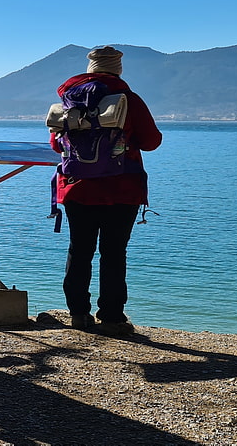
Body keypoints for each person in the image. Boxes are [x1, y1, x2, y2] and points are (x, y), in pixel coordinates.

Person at [51, 46, 162, 337]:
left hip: (77, 187)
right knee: (113, 253)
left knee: (79, 250)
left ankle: (78, 313)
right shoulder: (128, 100)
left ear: (90, 68)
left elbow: (56, 144)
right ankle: (112, 317)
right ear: (118, 69)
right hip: (121, 188)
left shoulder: (68, 99)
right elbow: (151, 141)